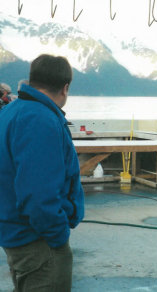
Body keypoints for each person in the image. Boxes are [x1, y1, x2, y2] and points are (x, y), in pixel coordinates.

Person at [0, 54, 85, 292]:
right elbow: (37, 196)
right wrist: (57, 237)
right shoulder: (40, 120)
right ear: (65, 87)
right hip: (38, 242)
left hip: (16, 235)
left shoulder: (12, 111)